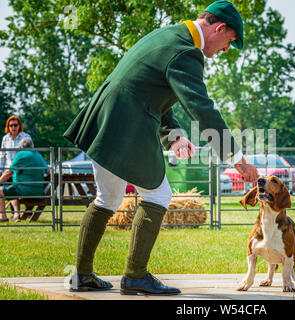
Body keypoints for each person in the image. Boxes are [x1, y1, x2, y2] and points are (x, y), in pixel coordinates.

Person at [64, 1, 259, 295]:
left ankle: (82, 275)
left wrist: (174, 136)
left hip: (104, 121)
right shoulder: (186, 53)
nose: (225, 50)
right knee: (158, 194)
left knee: (108, 197)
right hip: (127, 126)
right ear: (220, 28)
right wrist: (236, 158)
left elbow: (149, 88)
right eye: (229, 42)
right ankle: (135, 276)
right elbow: (201, 108)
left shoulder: (168, 35)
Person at [0, 138, 47, 223]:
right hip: (39, 191)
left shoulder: (21, 155)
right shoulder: (38, 155)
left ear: (20, 147)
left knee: (1, 190)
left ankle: (2, 217)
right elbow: (48, 171)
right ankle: (16, 215)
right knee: (12, 189)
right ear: (32, 146)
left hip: (24, 190)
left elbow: (9, 172)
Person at [0, 115, 33, 215]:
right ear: (8, 127)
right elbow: (2, 156)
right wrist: (0, 170)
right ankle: (15, 213)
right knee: (9, 186)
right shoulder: (5, 138)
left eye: (15, 125)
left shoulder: (26, 137)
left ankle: (23, 212)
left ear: (19, 126)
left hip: (22, 170)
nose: (13, 127)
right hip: (9, 169)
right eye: (11, 125)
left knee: (15, 188)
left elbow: (30, 154)